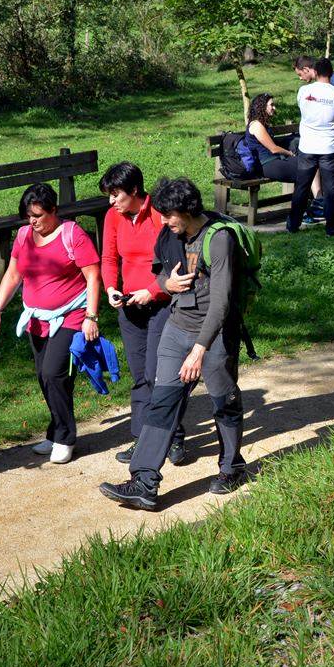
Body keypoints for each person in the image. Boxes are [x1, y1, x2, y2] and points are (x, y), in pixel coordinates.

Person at [100, 177, 249, 511]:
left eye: (169, 215)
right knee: (162, 400)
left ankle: (232, 467)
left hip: (215, 335)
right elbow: (158, 275)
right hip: (176, 327)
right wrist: (166, 282)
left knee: (223, 400)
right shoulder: (170, 234)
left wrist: (200, 349)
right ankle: (143, 482)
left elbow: (222, 304)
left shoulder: (219, 239)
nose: (163, 222)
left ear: (187, 210)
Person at [0, 182, 101, 463]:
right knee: (43, 377)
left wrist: (91, 317)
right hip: (37, 320)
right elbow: (13, 275)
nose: (33, 221)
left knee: (53, 374)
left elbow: (93, 276)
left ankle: (65, 437)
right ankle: (54, 431)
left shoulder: (73, 234)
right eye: (29, 216)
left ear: (54, 210)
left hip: (71, 317)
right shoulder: (24, 235)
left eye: (38, 215)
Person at [99, 161, 197, 468]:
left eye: (116, 194)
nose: (111, 201)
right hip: (130, 307)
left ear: (135, 190)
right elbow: (108, 258)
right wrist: (111, 289)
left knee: (160, 375)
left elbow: (177, 267)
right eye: (109, 195)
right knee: (141, 376)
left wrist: (153, 291)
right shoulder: (113, 217)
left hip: (163, 305)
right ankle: (142, 439)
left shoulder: (159, 216)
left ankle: (175, 437)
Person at [286, 55, 334, 235]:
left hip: (307, 147)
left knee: (302, 188)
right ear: (331, 73)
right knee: (330, 189)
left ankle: (292, 225)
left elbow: (303, 111)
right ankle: (333, 229)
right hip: (330, 148)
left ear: (315, 72)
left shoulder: (303, 92)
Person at [238, 93, 308, 185]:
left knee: (310, 164)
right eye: (271, 105)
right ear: (262, 107)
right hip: (267, 165)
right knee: (308, 167)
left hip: (275, 161)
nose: (274, 108)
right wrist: (290, 153)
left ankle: (316, 198)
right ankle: (312, 198)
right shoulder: (256, 125)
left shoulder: (261, 124)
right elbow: (273, 149)